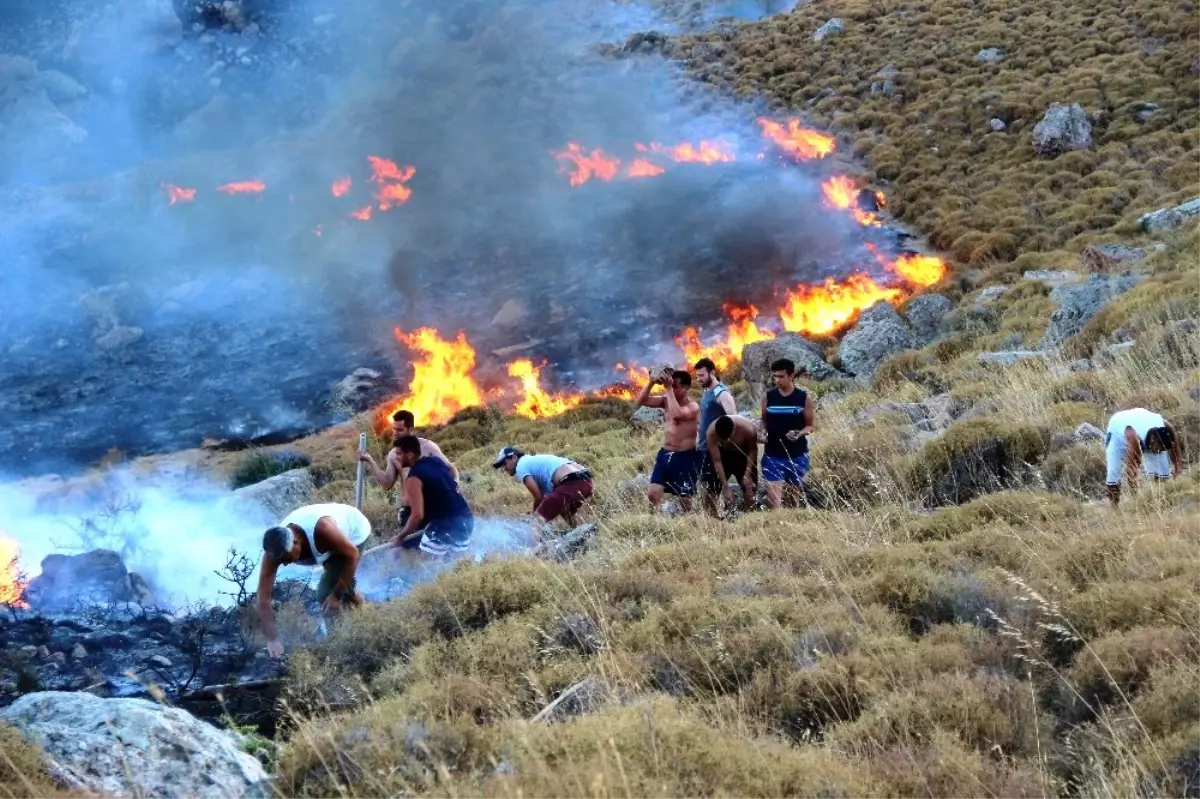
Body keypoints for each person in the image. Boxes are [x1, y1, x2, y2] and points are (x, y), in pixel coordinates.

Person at [257, 502, 372, 659]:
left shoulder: (323, 530)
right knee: (342, 586)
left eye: (287, 558)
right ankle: (366, 615)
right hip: (329, 547)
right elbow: (263, 598)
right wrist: (272, 638)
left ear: (296, 542)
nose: (283, 563)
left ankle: (339, 647)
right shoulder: (275, 549)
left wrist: (336, 596)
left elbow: (352, 554)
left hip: (353, 535)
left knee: (326, 595)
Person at [358, 409, 459, 528]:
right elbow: (386, 483)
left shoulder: (428, 447)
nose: (395, 433)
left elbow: (450, 467)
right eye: (394, 429)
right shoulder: (394, 455)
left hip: (433, 506)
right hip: (410, 511)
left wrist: (456, 481)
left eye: (400, 430)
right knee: (413, 544)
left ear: (411, 430)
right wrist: (370, 460)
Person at [390, 434, 474, 557]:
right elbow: (441, 493)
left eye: (398, 454)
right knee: (455, 564)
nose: (395, 458)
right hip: (466, 519)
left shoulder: (414, 477)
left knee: (425, 566)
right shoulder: (436, 461)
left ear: (409, 455)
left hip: (446, 525)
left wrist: (400, 537)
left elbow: (417, 515)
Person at [636, 366, 701, 512]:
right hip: (666, 454)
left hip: (685, 456)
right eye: (671, 385)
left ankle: (689, 521)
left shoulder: (693, 406)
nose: (671, 387)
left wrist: (668, 388)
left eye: (675, 386)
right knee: (653, 492)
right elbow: (641, 401)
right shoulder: (666, 400)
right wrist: (651, 382)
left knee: (685, 497)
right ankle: (653, 520)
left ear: (685, 388)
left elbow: (677, 414)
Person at [493, 446, 594, 537]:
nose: (504, 468)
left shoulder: (520, 466)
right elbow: (548, 499)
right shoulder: (532, 460)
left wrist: (535, 515)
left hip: (570, 482)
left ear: (514, 457)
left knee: (536, 521)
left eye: (504, 463)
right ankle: (583, 533)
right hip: (587, 482)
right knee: (565, 511)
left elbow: (538, 497)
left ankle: (536, 551)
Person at [760, 358, 815, 509]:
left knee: (793, 503)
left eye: (781, 376)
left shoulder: (803, 398)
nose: (777, 380)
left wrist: (799, 433)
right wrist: (762, 432)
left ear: (791, 376)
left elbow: (810, 426)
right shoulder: (768, 397)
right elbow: (763, 421)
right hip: (773, 455)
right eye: (775, 376)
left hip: (797, 455)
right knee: (773, 503)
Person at [1105, 407, 1181, 507]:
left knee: (1163, 474)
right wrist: (1138, 500)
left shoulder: (1165, 428)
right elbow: (1131, 472)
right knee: (1113, 474)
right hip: (1117, 430)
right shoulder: (1134, 438)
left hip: (1142, 419)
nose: (1160, 452)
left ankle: (1163, 501)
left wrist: (1177, 469)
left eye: (1163, 449)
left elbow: (1175, 447)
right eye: (1160, 448)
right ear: (1153, 439)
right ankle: (1114, 507)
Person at [702, 414, 760, 514]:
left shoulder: (747, 429)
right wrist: (725, 487)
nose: (728, 441)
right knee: (711, 488)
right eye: (724, 440)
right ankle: (713, 519)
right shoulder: (711, 432)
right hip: (723, 454)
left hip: (743, 454)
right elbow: (717, 461)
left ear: (735, 428)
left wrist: (747, 474)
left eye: (730, 437)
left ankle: (751, 517)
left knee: (750, 489)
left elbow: (753, 450)